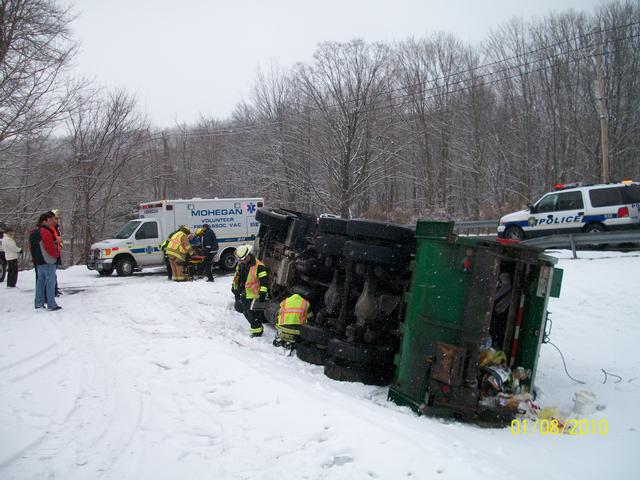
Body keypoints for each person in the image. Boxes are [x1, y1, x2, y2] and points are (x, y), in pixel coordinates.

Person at [231, 244, 269, 337]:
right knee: (245, 312)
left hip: (254, 295)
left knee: (251, 314)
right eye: (240, 260)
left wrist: (263, 293)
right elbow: (237, 277)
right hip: (244, 293)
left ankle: (257, 332)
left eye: (243, 259)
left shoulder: (259, 266)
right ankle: (257, 328)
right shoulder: (241, 265)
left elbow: (264, 281)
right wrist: (234, 287)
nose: (241, 261)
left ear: (248, 256)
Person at [33, 212, 61, 310]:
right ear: (45, 220)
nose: (53, 221)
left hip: (38, 261)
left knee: (40, 282)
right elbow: (48, 247)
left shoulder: (34, 231)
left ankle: (38, 303)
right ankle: (51, 304)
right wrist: (56, 255)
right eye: (51, 220)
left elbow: (33, 247)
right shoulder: (46, 231)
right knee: (50, 282)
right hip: (48, 261)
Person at [49, 209, 63, 296]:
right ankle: (52, 291)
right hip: (52, 253)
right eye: (55, 218)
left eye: (57, 219)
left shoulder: (56, 227)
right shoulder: (50, 228)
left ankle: (54, 288)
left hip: (56, 251)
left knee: (53, 273)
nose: (57, 220)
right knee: (51, 273)